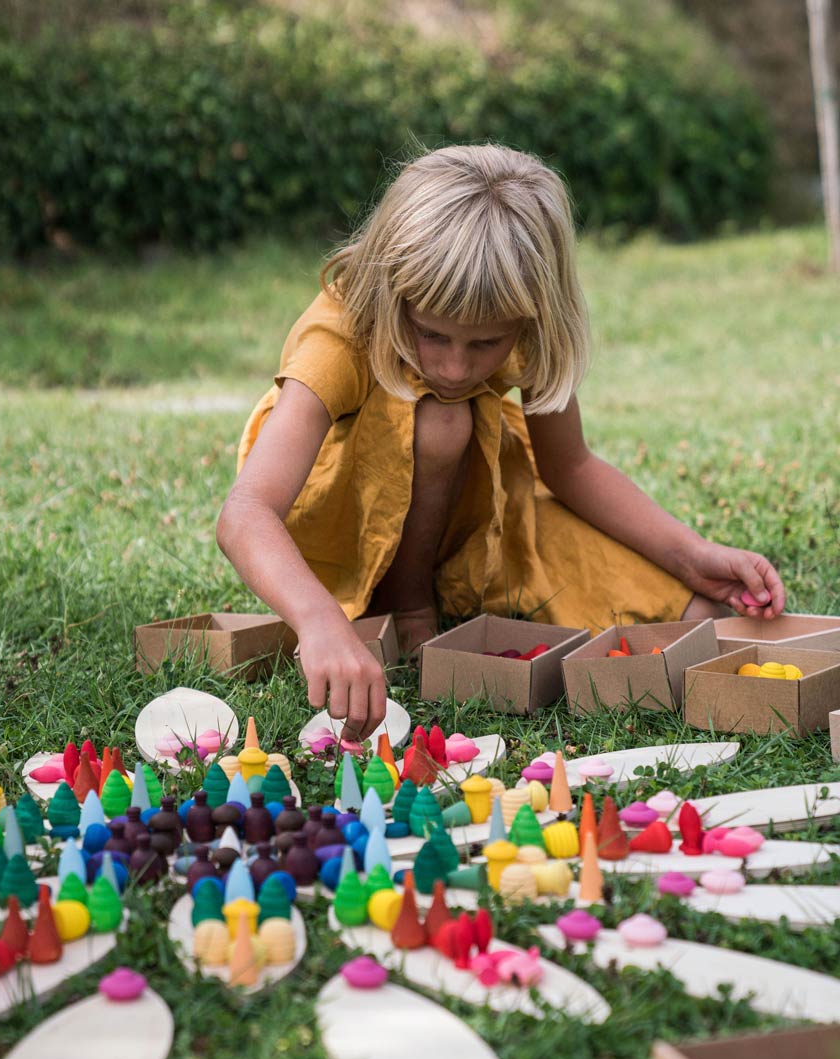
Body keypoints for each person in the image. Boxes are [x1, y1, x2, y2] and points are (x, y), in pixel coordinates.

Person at [217, 144, 784, 740]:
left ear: (532, 313)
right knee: (444, 418)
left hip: (472, 508)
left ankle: (439, 584)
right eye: (431, 334)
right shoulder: (341, 332)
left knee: (694, 614)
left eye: (484, 345)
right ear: (393, 289)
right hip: (332, 524)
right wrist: (319, 622)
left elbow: (570, 468)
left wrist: (692, 557)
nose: (456, 368)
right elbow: (245, 512)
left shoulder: (530, 323)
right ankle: (407, 607)